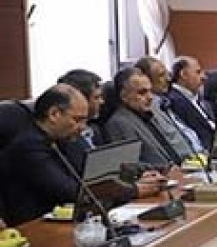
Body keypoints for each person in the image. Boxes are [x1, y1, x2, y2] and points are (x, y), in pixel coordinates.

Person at [0, 85, 159, 226]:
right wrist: (132, 190)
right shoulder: (28, 147)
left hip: (75, 221)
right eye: (77, 120)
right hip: (38, 230)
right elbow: (73, 192)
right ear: (54, 114)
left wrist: (132, 178)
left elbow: (93, 176)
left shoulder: (63, 138)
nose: (83, 127)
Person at [105, 68, 186, 168]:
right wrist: (164, 171)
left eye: (150, 91)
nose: (150, 97)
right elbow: (130, 165)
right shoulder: (119, 123)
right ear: (124, 96)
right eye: (142, 92)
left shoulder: (148, 114)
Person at [135, 56, 204, 157]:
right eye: (161, 75)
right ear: (146, 80)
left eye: (167, 73)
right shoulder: (148, 108)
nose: (168, 79)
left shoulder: (164, 102)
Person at [167, 56, 215, 151]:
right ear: (183, 74)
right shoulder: (174, 101)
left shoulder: (193, 97)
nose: (204, 77)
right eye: (198, 72)